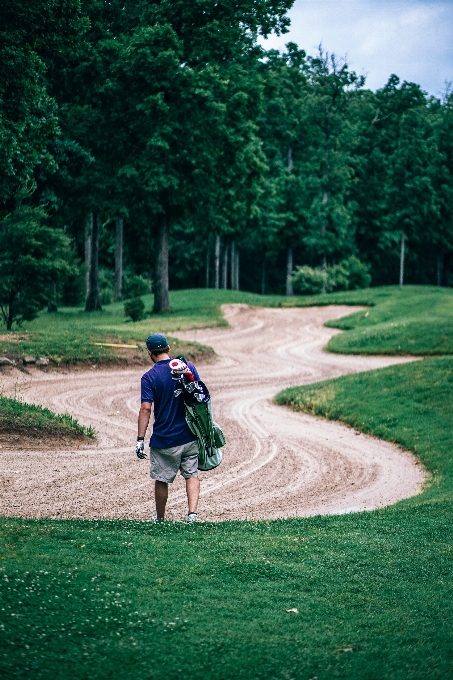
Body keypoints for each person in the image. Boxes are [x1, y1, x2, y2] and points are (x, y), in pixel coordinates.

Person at [136, 333, 200, 522]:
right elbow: (200, 395)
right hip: (189, 435)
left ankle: (161, 518)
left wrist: (140, 440)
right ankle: (192, 515)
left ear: (149, 352)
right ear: (168, 348)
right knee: (191, 474)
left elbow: (146, 408)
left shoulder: (149, 377)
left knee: (162, 479)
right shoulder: (188, 367)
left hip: (165, 439)